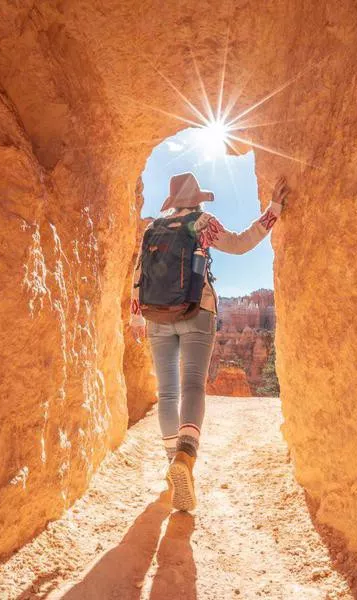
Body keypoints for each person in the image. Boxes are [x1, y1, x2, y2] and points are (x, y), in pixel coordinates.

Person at [129, 172, 290, 511]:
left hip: (156, 314)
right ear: (197, 199)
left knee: (167, 392)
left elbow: (138, 274)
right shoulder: (202, 222)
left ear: (172, 202)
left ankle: (171, 459)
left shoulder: (153, 228)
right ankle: (185, 460)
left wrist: (135, 317)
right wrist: (273, 209)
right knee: (191, 387)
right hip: (196, 309)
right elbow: (241, 243)